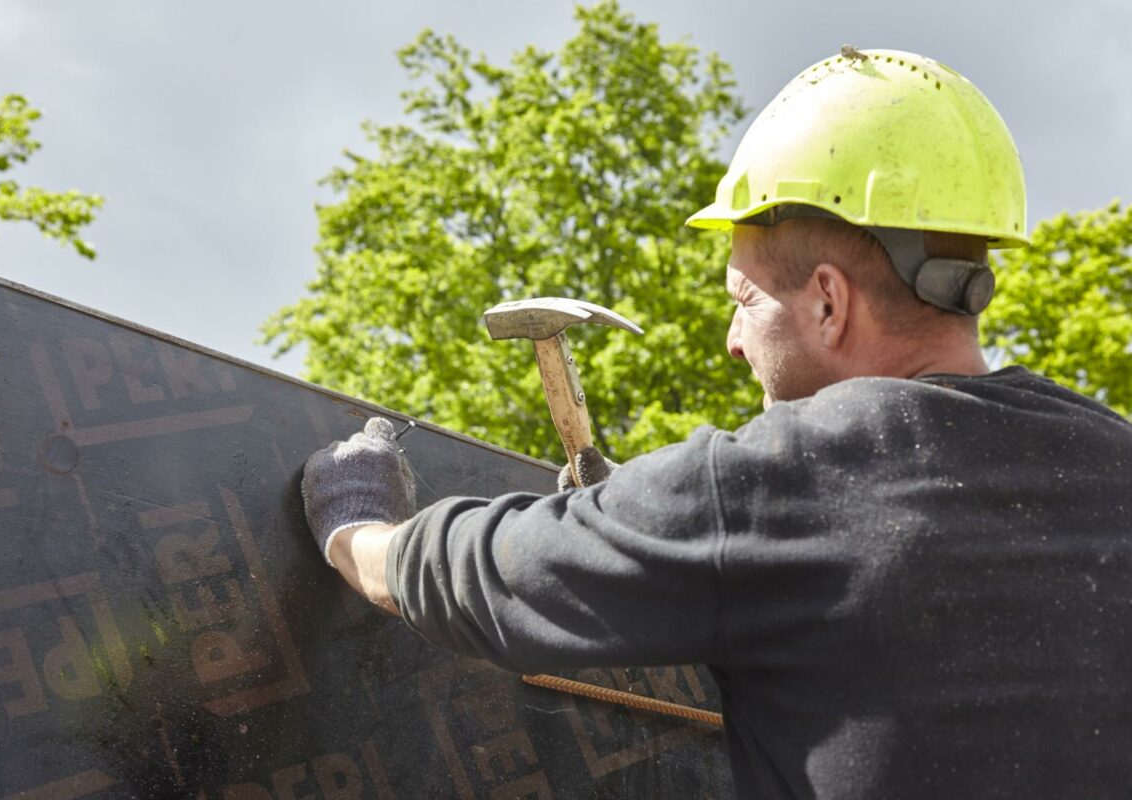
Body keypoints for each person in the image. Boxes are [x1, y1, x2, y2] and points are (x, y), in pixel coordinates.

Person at [301, 48, 1132, 798]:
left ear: (829, 302)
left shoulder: (778, 482)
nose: (734, 342)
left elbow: (485, 577)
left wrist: (355, 524)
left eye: (743, 299)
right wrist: (655, 532)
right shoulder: (1113, 459)